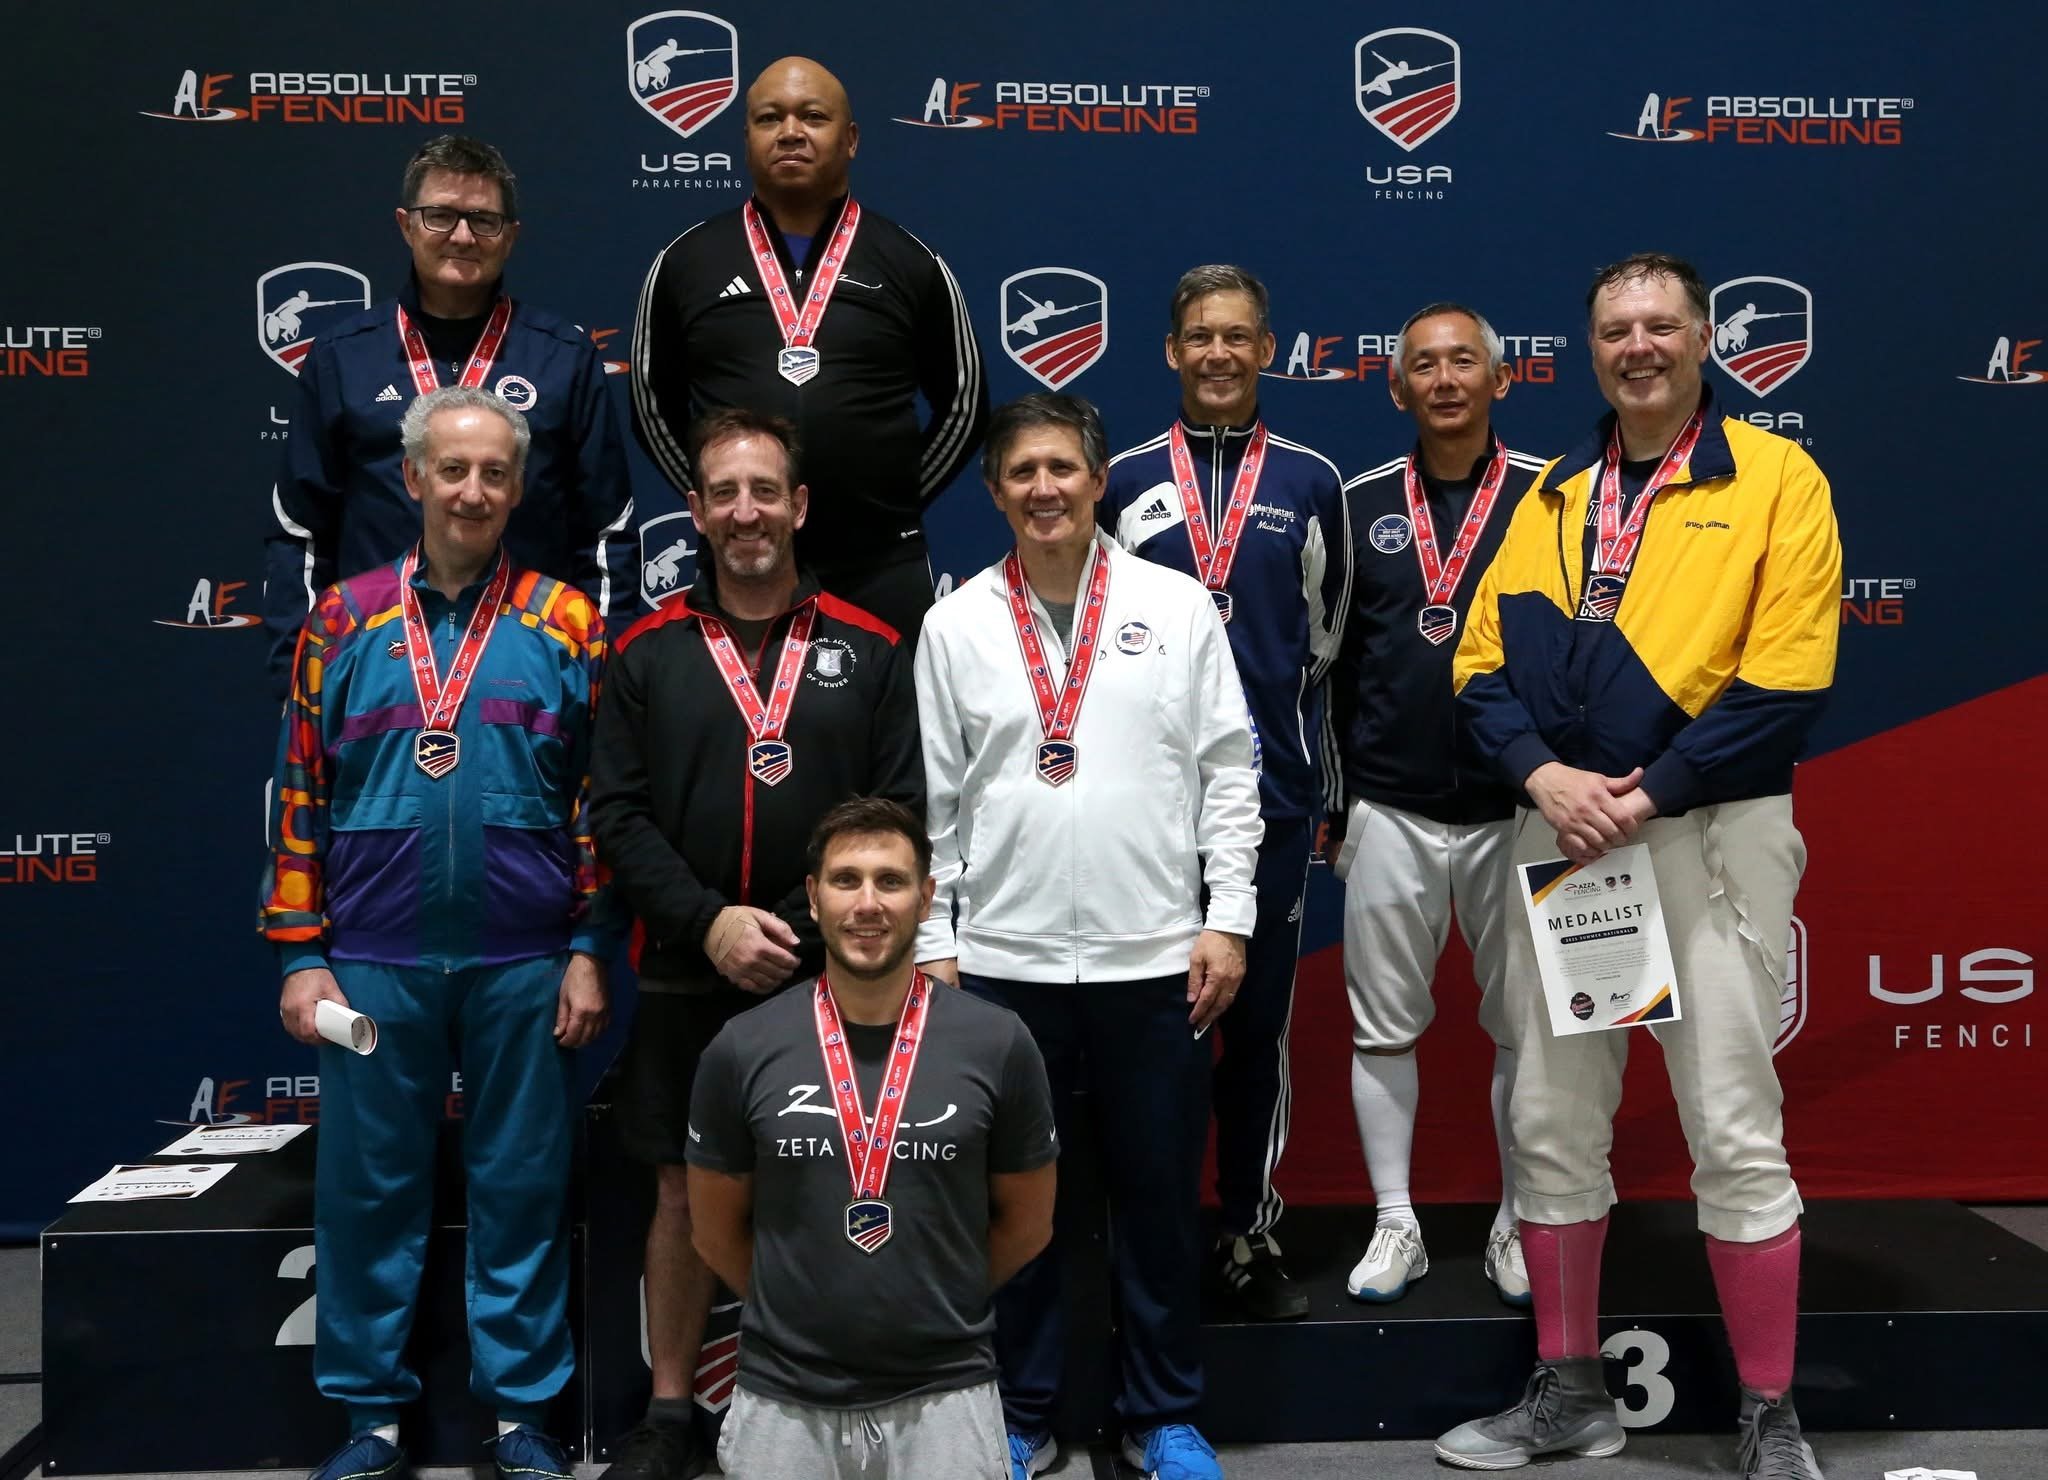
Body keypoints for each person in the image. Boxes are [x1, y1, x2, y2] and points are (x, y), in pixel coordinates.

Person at [1437, 253, 1841, 1478]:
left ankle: (1769, 1413)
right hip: (1570, 844)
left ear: (1704, 340)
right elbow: (1474, 666)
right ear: (1590, 349)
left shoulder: (1776, 478)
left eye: (1661, 324)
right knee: (1554, 1121)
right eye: (1615, 328)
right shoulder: (1554, 493)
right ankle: (1568, 1393)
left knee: (1731, 1123)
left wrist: (1647, 789)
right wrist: (1541, 779)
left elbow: (1787, 682)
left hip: (1705, 838)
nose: (1638, 345)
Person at [260, 385, 617, 1480]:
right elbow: (296, 790)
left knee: (521, 1186)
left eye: (494, 473)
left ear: (519, 488)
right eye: (451, 470)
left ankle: (521, 1415)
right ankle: (368, 1414)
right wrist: (302, 951)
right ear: (410, 478)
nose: (472, 490)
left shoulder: (567, 623)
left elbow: (599, 801)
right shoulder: (340, 620)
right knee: (367, 1191)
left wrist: (592, 946)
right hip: (372, 964)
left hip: (524, 963)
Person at [915, 393, 1263, 1480]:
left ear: (1098, 476)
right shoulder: (955, 622)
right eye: (1020, 472)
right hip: (1003, 968)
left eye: (1061, 466)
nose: (1043, 489)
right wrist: (934, 934)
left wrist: (1228, 917)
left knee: (1157, 1198)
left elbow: (1227, 772)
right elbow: (931, 800)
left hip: (1154, 958)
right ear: (992, 490)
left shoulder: (1175, 604)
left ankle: (1162, 1413)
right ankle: (1017, 1413)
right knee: (1014, 1208)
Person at [588, 408, 924, 1480]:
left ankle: (828, 1393)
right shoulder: (643, 654)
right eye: (723, 493)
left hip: (828, 971)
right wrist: (709, 922)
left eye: (764, 492)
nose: (745, 512)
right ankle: (671, 1412)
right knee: (684, 1191)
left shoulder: (868, 648)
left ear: (799, 505)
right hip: (686, 966)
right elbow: (619, 815)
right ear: (694, 510)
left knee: (836, 1178)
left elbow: (889, 812)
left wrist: (788, 920)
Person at [1099, 265, 1350, 1321]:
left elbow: (1324, 647)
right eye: (1197, 335)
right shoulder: (1115, 480)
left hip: (1276, 806)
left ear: (1265, 349)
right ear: (1169, 350)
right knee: (1148, 1033)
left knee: (1251, 1031)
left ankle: (1246, 1224)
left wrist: (1319, 787)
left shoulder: (1308, 480)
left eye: (1235, 336)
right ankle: (1137, 1235)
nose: (1214, 353)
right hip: (1149, 813)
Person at [684, 798, 1058, 1479]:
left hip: (948, 1389)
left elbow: (1028, 1224)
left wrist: (934, 1300)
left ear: (926, 897)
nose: (867, 903)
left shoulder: (997, 1042)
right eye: (846, 879)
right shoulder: (743, 1048)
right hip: (783, 1394)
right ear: (814, 897)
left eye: (890, 881)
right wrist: (801, 1310)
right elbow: (714, 1233)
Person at [1325, 302, 1550, 1305]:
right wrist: (1338, 804)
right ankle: (1393, 1221)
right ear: (1396, 385)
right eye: (1425, 364)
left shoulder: (1555, 499)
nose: (1446, 378)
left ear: (1502, 380)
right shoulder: (1357, 501)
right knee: (1381, 1028)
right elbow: (1327, 670)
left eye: (1465, 361)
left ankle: (1515, 1217)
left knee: (1524, 1029)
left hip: (1519, 813)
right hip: (1390, 808)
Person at [264, 134, 637, 701]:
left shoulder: (563, 357)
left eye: (483, 220)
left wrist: (604, 684)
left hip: (532, 671)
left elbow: (606, 534)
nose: (462, 236)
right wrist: (310, 676)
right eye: (440, 215)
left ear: (510, 237)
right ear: (405, 224)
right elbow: (301, 534)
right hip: (373, 668)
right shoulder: (344, 357)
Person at [631, 56, 988, 641]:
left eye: (813, 116)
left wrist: (891, 501)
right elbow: (650, 405)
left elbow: (966, 405)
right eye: (770, 117)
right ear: (746, 138)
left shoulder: (910, 261)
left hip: (879, 563)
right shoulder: (686, 262)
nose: (791, 131)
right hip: (742, 557)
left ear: (850, 139)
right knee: (740, 727)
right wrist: (721, 496)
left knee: (892, 731)